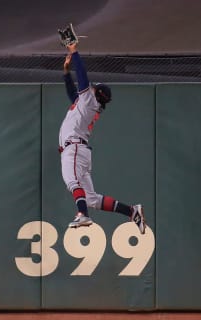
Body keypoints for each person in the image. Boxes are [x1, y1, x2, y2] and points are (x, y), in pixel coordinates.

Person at [58, 42, 146, 234]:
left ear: (97, 94)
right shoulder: (87, 103)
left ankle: (82, 215)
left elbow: (82, 76)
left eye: (93, 88)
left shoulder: (90, 101)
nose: (89, 88)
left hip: (73, 149)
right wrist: (66, 72)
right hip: (79, 150)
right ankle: (131, 211)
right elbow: (73, 94)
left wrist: (74, 53)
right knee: (91, 199)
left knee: (72, 182)